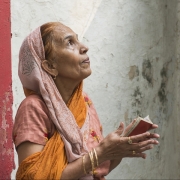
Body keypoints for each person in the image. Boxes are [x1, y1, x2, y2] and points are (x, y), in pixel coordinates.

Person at [12, 22, 159, 180]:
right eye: (70, 43)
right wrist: (100, 153)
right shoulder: (34, 108)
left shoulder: (84, 103)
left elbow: (97, 170)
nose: (84, 47)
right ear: (50, 66)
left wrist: (119, 149)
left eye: (78, 40)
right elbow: (33, 177)